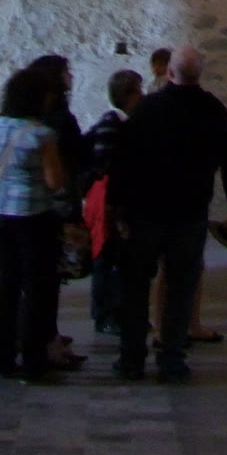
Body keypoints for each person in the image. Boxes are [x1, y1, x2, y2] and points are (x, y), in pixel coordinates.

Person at [109, 44, 227, 382]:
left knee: (136, 285)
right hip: (189, 211)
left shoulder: (148, 108)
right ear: (200, 74)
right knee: (181, 287)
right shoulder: (213, 109)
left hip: (146, 210)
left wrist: (116, 204)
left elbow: (123, 157)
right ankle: (171, 360)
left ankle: (131, 359)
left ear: (169, 72)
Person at [0, 65, 68, 380]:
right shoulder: (41, 134)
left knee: (6, 286)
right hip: (35, 216)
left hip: (1, 215)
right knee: (36, 290)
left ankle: (0, 359)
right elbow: (54, 180)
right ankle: (33, 362)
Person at [26, 53, 88, 368]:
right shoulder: (60, 120)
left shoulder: (27, 116)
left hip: (29, 205)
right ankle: (46, 343)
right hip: (57, 204)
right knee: (49, 278)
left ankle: (44, 335)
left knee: (39, 279)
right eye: (66, 72)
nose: (70, 77)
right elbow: (76, 158)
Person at [83, 67, 143, 335]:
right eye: (138, 91)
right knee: (106, 258)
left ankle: (117, 312)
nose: (142, 96)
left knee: (117, 258)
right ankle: (105, 314)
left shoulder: (123, 123)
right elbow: (102, 164)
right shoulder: (112, 123)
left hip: (117, 199)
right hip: (108, 201)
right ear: (127, 95)